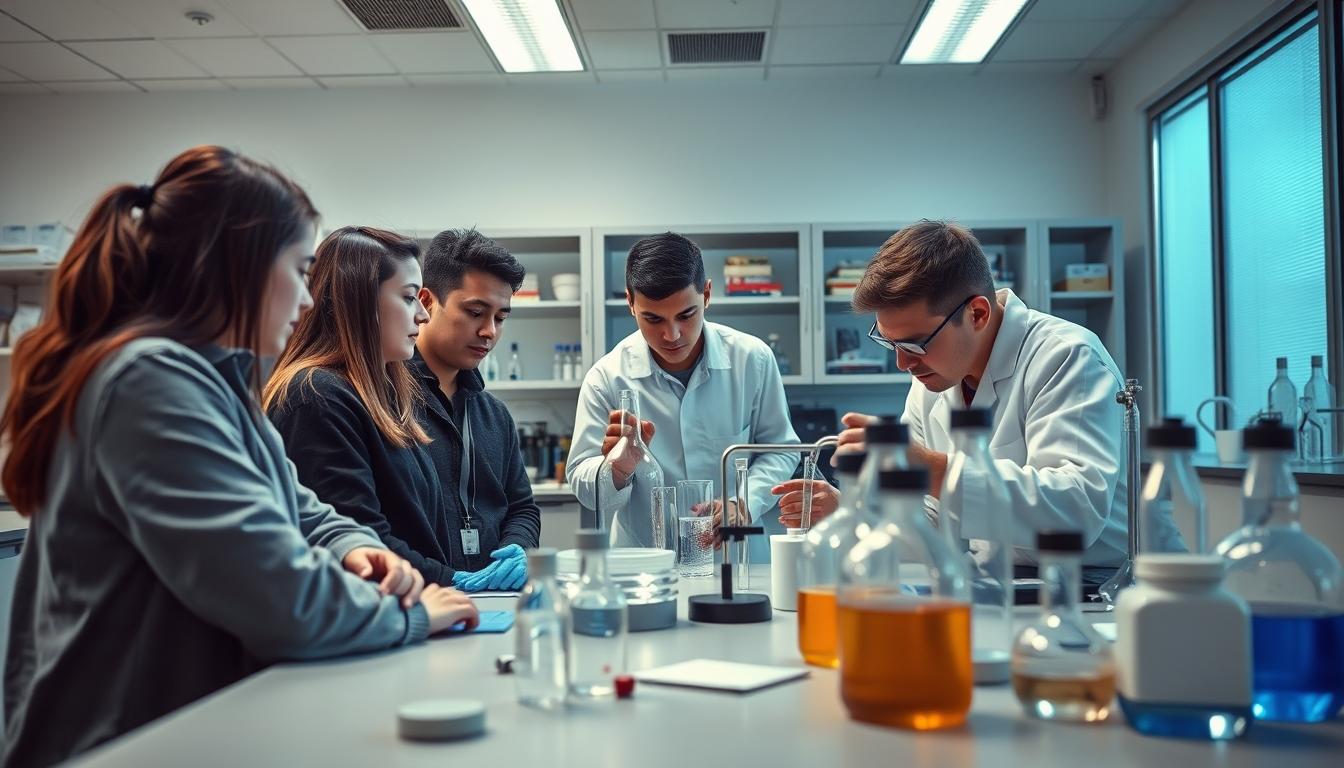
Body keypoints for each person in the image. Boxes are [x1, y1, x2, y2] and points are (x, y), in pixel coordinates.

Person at [0, 147, 477, 766]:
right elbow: (280, 598)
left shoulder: (216, 381)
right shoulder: (149, 382)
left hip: (181, 728)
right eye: (298, 270)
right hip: (116, 741)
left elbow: (303, 509)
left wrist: (356, 549)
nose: (308, 302)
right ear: (240, 267)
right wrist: (410, 615)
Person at [774, 220, 1179, 573]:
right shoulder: (931, 381)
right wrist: (849, 511)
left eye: (915, 344)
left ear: (978, 314)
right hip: (1009, 583)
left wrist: (931, 468)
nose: (902, 364)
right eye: (889, 342)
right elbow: (937, 524)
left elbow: (1075, 513)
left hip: (1106, 585)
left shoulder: (1066, 356)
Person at [266, 226, 490, 588]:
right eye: (408, 297)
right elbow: (359, 537)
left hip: (410, 604)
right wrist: (455, 581)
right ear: (360, 301)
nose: (423, 315)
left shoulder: (382, 394)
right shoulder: (315, 397)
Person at [567, 232, 799, 563]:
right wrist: (618, 469)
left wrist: (743, 502)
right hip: (645, 563)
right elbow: (586, 488)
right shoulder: (606, 377)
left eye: (686, 315)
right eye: (653, 319)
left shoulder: (753, 359)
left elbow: (781, 451)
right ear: (631, 302)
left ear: (706, 294)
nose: (672, 335)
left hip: (736, 558)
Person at [409, 229, 542, 591]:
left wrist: (518, 548)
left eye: (501, 318)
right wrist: (450, 581)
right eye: (475, 312)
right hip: (421, 601)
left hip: (495, 603)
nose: (489, 332)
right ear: (426, 301)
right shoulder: (385, 402)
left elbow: (523, 508)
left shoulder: (494, 415)